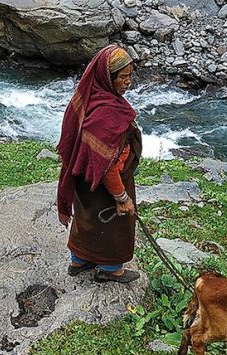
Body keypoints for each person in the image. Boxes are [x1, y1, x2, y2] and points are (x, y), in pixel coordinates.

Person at [56, 44, 142, 283]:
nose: (128, 82)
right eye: (123, 77)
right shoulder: (109, 115)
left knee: (86, 218)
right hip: (106, 184)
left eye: (130, 76)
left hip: (83, 178)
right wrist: (122, 197)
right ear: (108, 77)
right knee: (114, 224)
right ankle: (110, 268)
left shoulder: (86, 98)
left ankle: (79, 260)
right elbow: (110, 167)